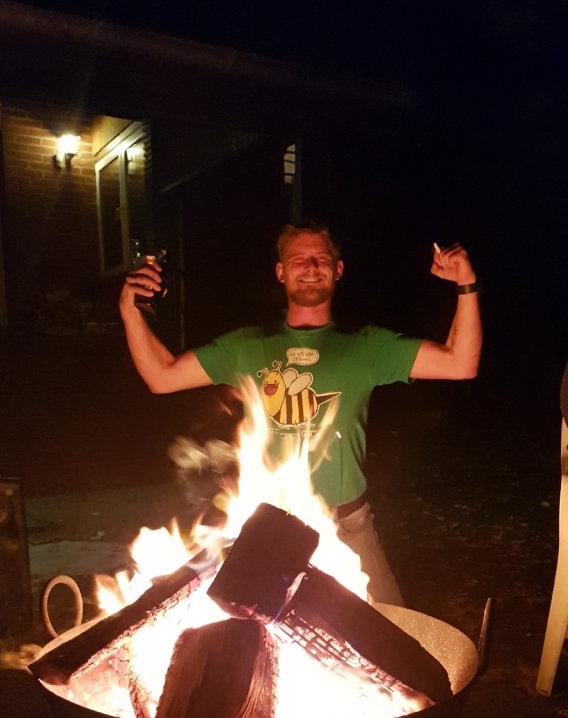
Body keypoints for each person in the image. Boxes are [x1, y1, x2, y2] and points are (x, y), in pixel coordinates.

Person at [119, 224, 482, 605]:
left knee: (392, 629)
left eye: (321, 259)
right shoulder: (247, 346)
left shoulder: (366, 347)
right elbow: (161, 377)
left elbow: (460, 363)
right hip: (267, 526)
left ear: (338, 270)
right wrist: (130, 311)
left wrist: (467, 285)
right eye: (298, 260)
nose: (310, 267)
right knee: (247, 631)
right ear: (281, 272)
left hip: (346, 525)